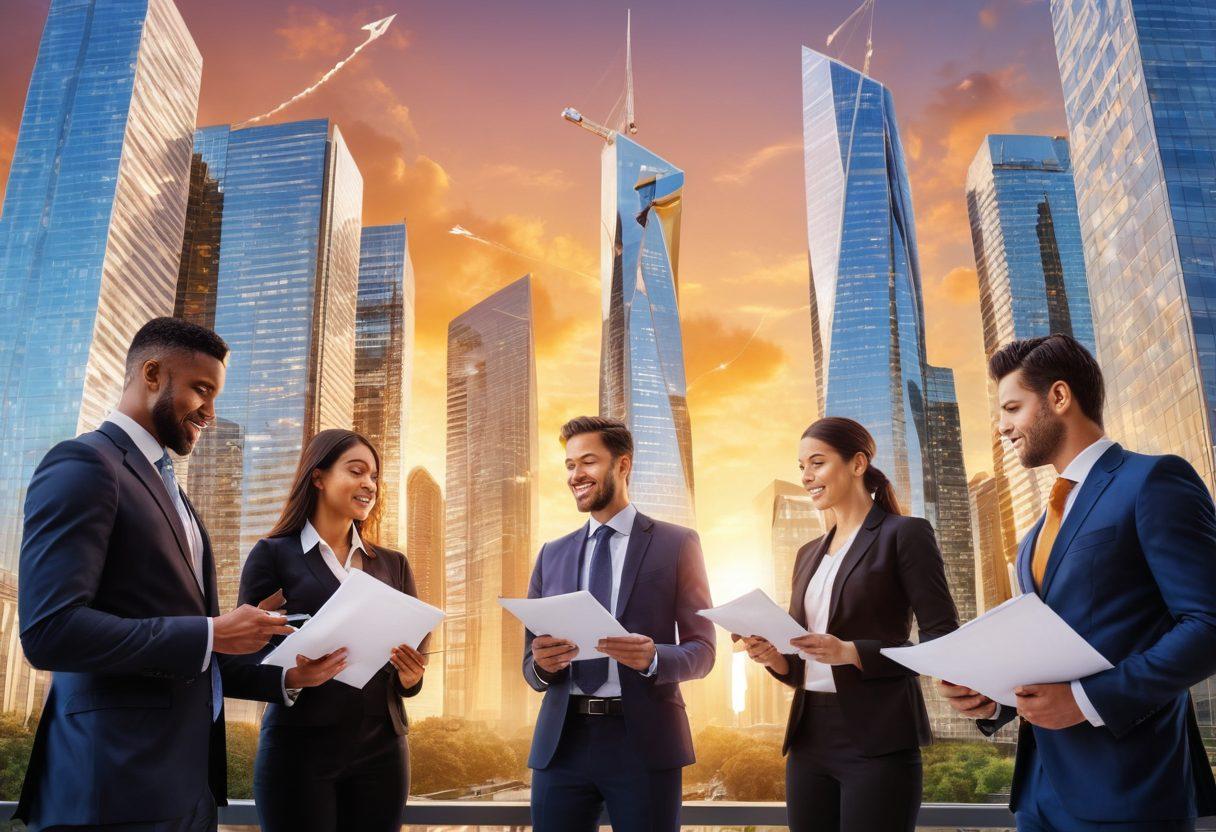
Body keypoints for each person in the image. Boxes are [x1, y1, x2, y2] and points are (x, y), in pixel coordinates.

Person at [15, 317, 343, 831]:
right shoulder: (84, 464)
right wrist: (212, 631)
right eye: (201, 390)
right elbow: (49, 631)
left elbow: (190, 649)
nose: (211, 412)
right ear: (151, 374)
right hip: (109, 787)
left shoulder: (174, 494)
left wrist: (282, 670)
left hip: (186, 790)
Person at [939, 333, 1216, 831]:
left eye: (1012, 407)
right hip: (1037, 795)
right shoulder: (1032, 537)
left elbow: (1209, 624)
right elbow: (1047, 649)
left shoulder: (1152, 481)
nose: (1002, 427)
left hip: (1129, 787)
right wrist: (994, 698)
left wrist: (1087, 700)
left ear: (1060, 397)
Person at [741, 416, 959, 832]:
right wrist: (776, 658)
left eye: (817, 463)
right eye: (801, 466)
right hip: (809, 737)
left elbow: (942, 640)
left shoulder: (904, 534)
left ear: (858, 464)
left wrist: (851, 652)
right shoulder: (807, 554)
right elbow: (803, 659)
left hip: (878, 738)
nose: (807, 476)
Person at [522, 416, 715, 832]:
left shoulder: (677, 543)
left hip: (643, 742)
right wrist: (542, 664)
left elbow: (704, 651)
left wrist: (654, 657)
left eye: (588, 462)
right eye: (570, 465)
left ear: (622, 465)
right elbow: (529, 664)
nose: (576, 475)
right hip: (561, 745)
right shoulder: (551, 554)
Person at [238, 428, 428, 832]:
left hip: (383, 750)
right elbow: (241, 661)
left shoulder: (393, 564)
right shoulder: (273, 555)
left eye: (374, 476)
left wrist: (412, 677)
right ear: (318, 477)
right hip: (299, 750)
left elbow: (411, 667)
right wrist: (292, 677)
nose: (368, 484)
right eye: (356, 471)